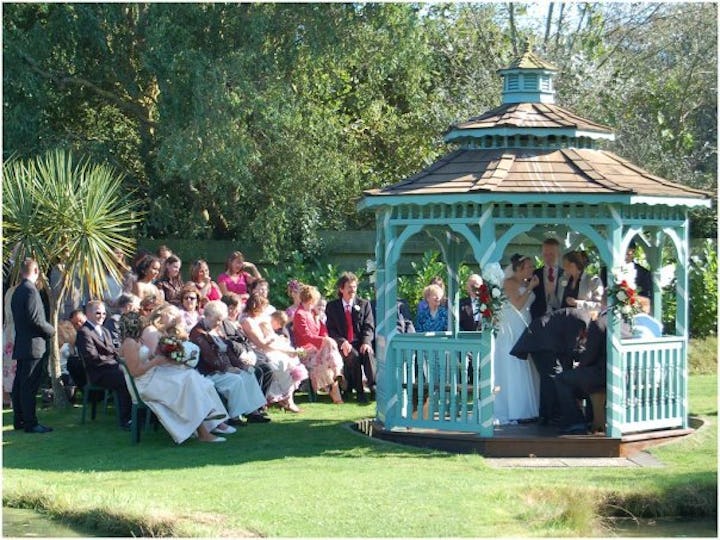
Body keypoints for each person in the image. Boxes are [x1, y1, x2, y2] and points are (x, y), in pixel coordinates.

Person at [124, 308, 232, 443]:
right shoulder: (130, 343)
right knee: (188, 381)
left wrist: (170, 356)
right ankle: (206, 422)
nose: (142, 324)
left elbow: (149, 357)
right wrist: (156, 361)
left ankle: (207, 421)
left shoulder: (138, 340)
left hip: (154, 377)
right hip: (146, 385)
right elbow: (135, 372)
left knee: (190, 378)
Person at [189, 301, 268, 424]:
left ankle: (254, 412)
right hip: (210, 371)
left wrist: (241, 365)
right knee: (235, 380)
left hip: (224, 368)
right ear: (208, 316)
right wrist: (226, 369)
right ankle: (235, 416)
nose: (220, 323)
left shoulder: (217, 329)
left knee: (248, 374)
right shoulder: (197, 333)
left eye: (221, 320)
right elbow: (208, 356)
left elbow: (229, 351)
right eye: (217, 320)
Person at [510, 307, 591, 426]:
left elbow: (569, 348)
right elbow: (571, 346)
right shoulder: (582, 320)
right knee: (553, 377)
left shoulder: (581, 317)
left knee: (550, 377)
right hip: (542, 339)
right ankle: (553, 415)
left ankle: (548, 415)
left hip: (544, 339)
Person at [492, 254, 541, 425]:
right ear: (519, 268)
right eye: (528, 266)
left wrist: (529, 286)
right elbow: (518, 305)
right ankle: (514, 408)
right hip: (512, 327)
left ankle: (529, 408)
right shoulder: (509, 283)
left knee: (526, 364)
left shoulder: (525, 282)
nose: (532, 269)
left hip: (524, 324)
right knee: (513, 362)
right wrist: (531, 288)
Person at [10, 258, 56, 433]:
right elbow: (35, 319)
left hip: (22, 343)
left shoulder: (17, 291)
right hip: (33, 345)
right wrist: (51, 330)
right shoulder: (30, 291)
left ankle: (19, 419)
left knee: (20, 384)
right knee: (28, 385)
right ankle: (30, 422)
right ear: (36, 271)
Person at [241, 294, 308, 413]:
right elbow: (261, 344)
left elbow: (270, 335)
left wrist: (280, 342)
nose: (264, 310)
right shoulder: (247, 321)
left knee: (291, 362)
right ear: (256, 306)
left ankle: (288, 398)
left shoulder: (261, 318)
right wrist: (285, 350)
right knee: (279, 363)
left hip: (267, 347)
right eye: (263, 307)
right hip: (257, 351)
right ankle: (281, 399)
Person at [76, 300, 132, 429]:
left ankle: (140, 415)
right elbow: (92, 358)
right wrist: (114, 362)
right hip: (98, 373)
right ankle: (126, 419)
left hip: (111, 368)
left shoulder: (105, 331)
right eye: (98, 313)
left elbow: (114, 351)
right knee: (124, 378)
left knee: (132, 372)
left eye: (104, 313)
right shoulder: (84, 332)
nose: (102, 316)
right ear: (88, 314)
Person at [553, 312, 609, 435]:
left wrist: (580, 366)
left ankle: (575, 423)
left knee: (562, 379)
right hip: (630, 374)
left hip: (605, 375)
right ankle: (590, 419)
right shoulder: (630, 322)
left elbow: (591, 354)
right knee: (582, 377)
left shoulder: (600, 323)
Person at [220, 293, 273, 420]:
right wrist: (242, 353)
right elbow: (229, 342)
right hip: (234, 357)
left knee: (267, 369)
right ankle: (251, 410)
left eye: (235, 308)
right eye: (230, 308)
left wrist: (249, 352)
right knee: (257, 371)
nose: (233, 311)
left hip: (246, 353)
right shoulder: (222, 323)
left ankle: (259, 405)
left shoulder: (236, 323)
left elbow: (245, 341)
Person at [326, 272, 375, 403]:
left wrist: (366, 342)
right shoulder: (332, 307)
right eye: (349, 287)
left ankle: (374, 387)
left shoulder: (364, 304)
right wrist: (342, 342)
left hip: (360, 341)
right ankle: (359, 391)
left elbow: (368, 326)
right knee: (354, 356)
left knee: (367, 353)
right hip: (342, 344)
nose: (352, 290)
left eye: (354, 287)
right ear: (341, 289)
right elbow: (330, 329)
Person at [293, 285, 345, 404]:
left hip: (319, 351)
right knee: (328, 351)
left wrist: (325, 338)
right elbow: (306, 336)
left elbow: (324, 331)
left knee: (328, 353)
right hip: (305, 351)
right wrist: (324, 341)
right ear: (311, 299)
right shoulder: (299, 314)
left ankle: (335, 382)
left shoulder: (313, 314)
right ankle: (336, 382)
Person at [530, 237, 563, 320]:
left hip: (560, 318)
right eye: (545, 254)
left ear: (558, 254)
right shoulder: (535, 274)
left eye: (551, 254)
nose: (548, 258)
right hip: (538, 318)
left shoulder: (566, 274)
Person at [3, 283, 18, 408]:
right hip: (15, 333)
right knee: (15, 366)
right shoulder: (19, 292)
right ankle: (13, 399)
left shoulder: (9, 292)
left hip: (7, 331)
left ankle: (6, 398)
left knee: (7, 366)